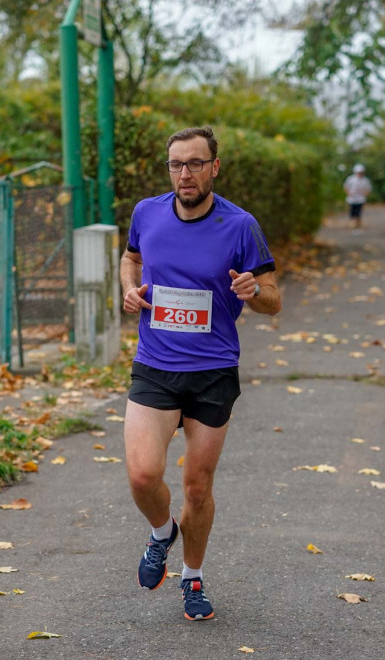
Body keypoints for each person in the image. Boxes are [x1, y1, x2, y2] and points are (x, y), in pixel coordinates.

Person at [120, 126, 281, 621]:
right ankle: (162, 532)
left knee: (197, 487)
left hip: (213, 370)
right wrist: (129, 288)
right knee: (144, 473)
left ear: (215, 167)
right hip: (156, 365)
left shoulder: (240, 226)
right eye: (176, 165)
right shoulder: (147, 212)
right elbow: (131, 258)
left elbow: (273, 300)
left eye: (194, 164)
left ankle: (192, 576)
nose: (184, 174)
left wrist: (255, 292)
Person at [343, 163, 372, 229]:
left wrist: (365, 194)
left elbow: (368, 189)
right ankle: (353, 222)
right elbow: (346, 187)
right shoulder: (350, 179)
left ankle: (357, 223)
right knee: (352, 211)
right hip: (352, 199)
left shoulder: (365, 180)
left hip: (360, 199)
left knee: (358, 211)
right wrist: (349, 193)